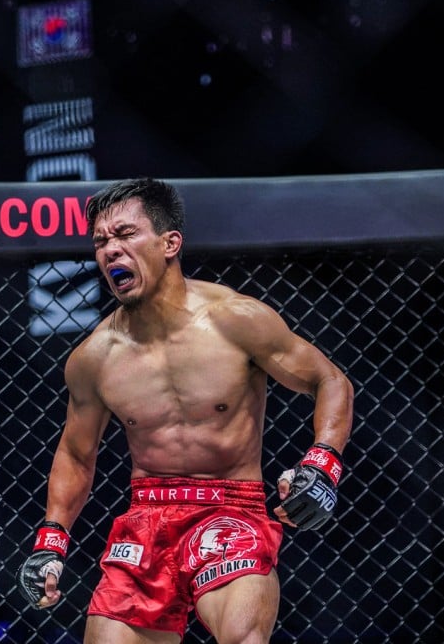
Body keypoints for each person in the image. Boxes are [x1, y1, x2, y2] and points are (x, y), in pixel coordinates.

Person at [18, 177, 354, 643]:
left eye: (125, 234)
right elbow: (77, 454)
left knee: (243, 638)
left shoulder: (236, 320)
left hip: (229, 507)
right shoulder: (94, 358)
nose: (110, 250)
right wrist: (50, 541)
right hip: (145, 519)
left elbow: (330, 379)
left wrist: (322, 464)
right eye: (100, 242)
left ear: (170, 242)